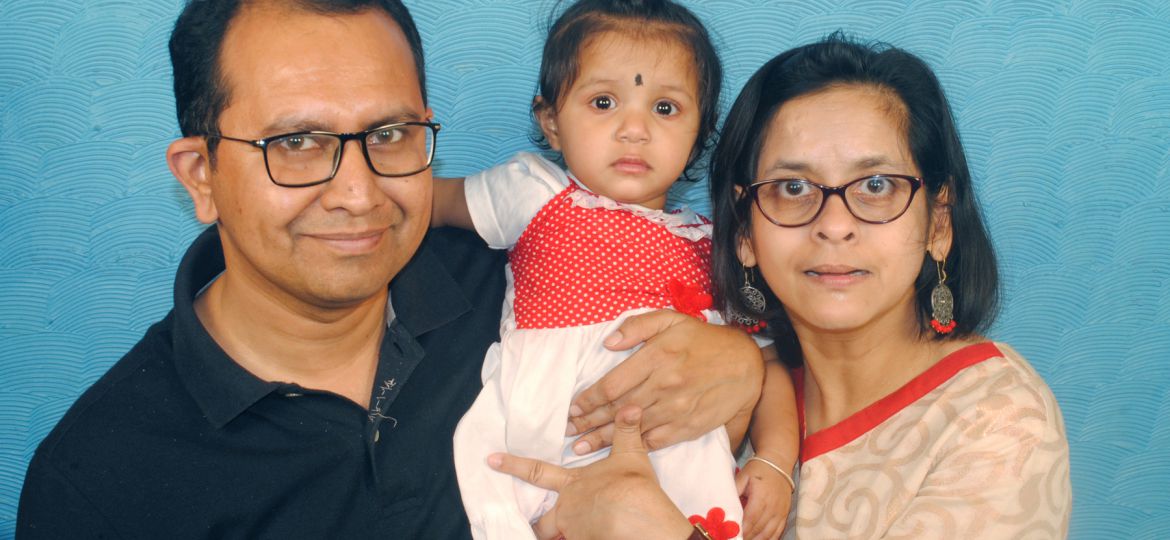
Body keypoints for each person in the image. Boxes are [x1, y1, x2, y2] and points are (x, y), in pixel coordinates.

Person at [15, 1, 765, 538]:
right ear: (201, 176)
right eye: (298, 142)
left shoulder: (510, 284)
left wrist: (743, 363)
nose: (357, 192)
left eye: (391, 134)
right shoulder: (102, 477)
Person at [491, 33, 1072, 539]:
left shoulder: (996, 419)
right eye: (793, 188)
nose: (834, 225)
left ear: (937, 224)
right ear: (743, 231)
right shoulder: (705, 389)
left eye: (876, 184)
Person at [430, 1, 799, 538]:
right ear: (551, 121)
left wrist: (774, 463)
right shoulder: (533, 193)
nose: (634, 129)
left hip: (674, 452)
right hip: (551, 429)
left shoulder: (716, 243)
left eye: (666, 109)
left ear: (701, 133)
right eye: (604, 102)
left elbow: (767, 368)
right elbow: (415, 203)